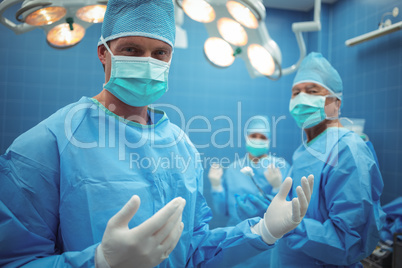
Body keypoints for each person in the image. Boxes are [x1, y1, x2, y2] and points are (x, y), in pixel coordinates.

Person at [0, 1, 314, 267]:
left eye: (160, 53)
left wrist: (263, 231)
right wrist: (100, 261)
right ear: (103, 53)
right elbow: (15, 259)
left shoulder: (182, 147)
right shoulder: (49, 143)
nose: (147, 63)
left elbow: (195, 249)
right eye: (131, 50)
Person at [268, 52, 386, 267]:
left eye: (312, 91)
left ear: (335, 103)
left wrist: (290, 226)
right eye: (296, 93)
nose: (301, 98)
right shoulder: (305, 151)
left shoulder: (347, 150)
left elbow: (349, 242)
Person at [208, 115, 291, 226]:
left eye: (262, 137)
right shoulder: (233, 169)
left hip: (270, 233)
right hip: (236, 232)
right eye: (253, 136)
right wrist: (216, 186)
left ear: (269, 140)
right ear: (247, 137)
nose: (257, 139)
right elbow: (222, 211)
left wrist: (277, 188)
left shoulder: (281, 166)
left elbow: (288, 210)